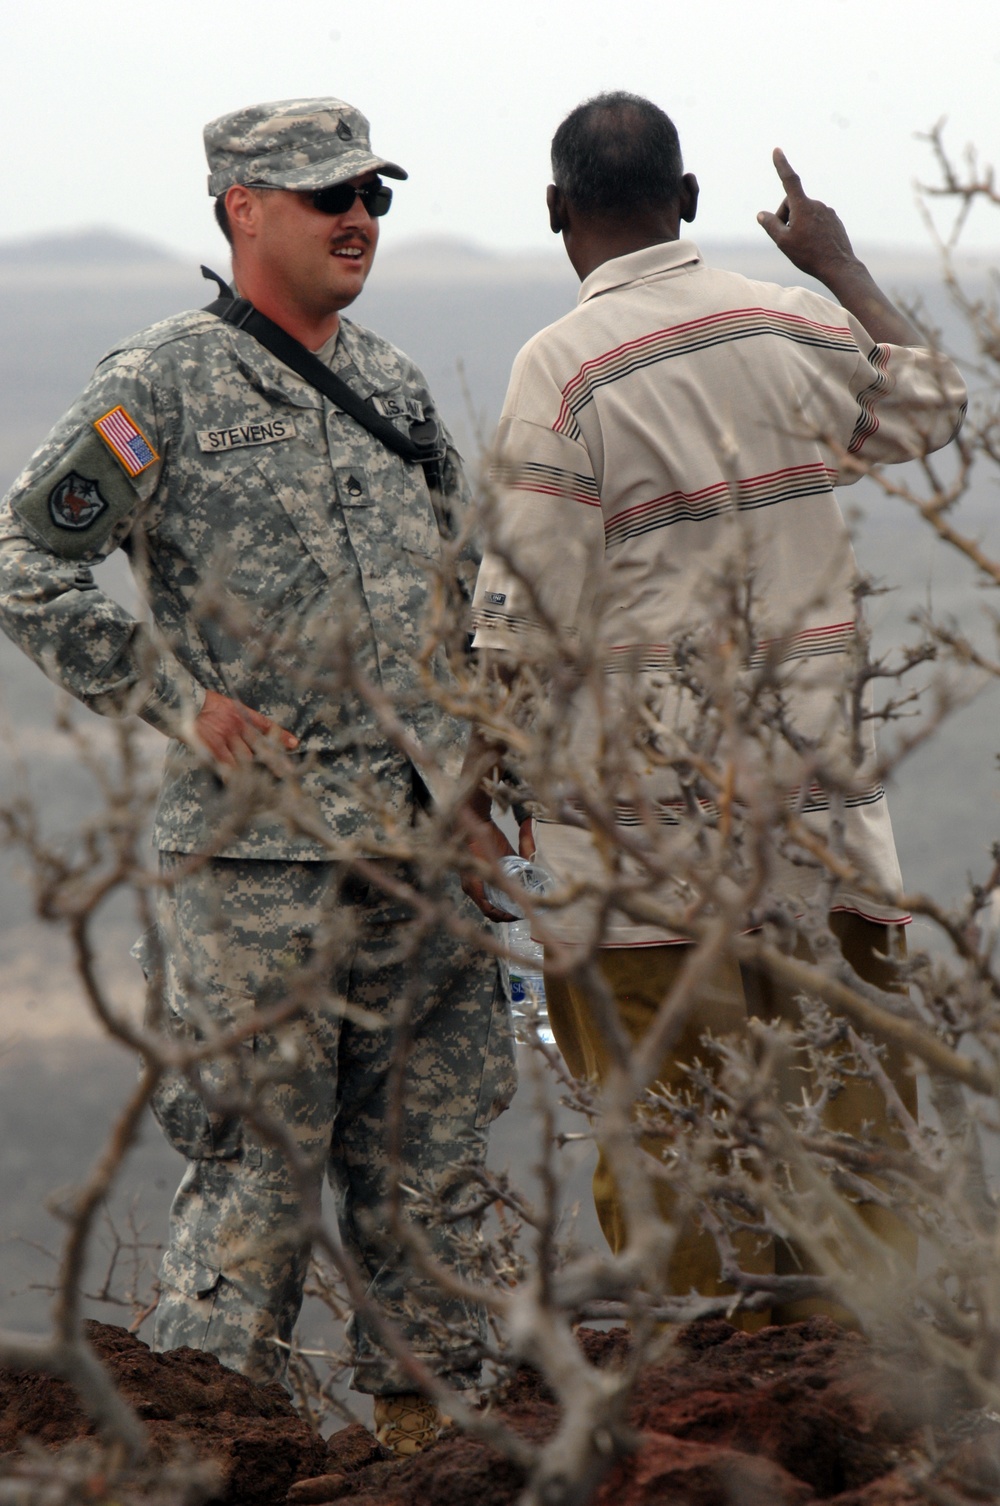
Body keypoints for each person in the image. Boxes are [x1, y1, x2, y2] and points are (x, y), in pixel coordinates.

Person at [0, 97, 516, 1454]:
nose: (358, 217)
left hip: (422, 860)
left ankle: (436, 1460)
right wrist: (181, 703)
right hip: (257, 872)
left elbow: (460, 605)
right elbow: (24, 559)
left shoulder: (399, 388)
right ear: (240, 208)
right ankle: (220, 1461)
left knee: (436, 1196)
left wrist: (479, 795)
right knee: (254, 1197)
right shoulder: (159, 384)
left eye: (374, 196)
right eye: (325, 194)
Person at [467, 93, 967, 1324]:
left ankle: (702, 1418)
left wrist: (485, 795)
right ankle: (878, 1416)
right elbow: (931, 409)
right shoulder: (792, 315)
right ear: (687, 201)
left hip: (647, 862)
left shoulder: (560, 372)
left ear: (553, 210)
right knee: (852, 1134)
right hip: (823, 832)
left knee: (675, 1153)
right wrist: (839, 263)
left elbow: (520, 627)